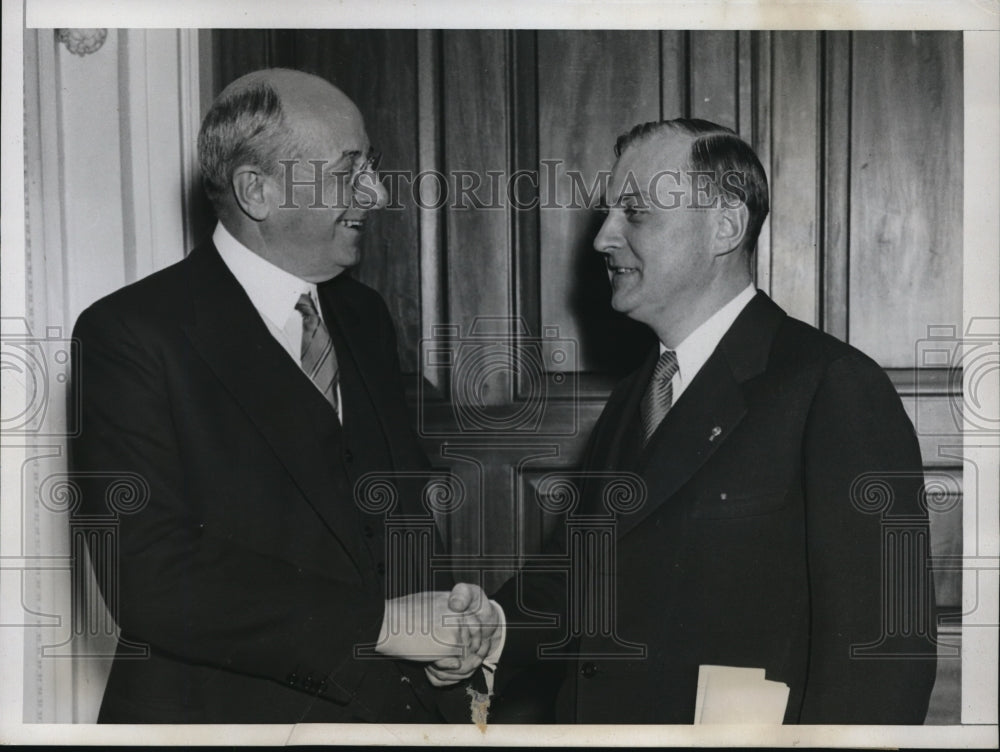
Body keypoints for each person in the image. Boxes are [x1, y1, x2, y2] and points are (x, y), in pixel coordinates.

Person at [70, 68, 499, 724]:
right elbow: (149, 577)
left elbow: (396, 509)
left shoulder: (363, 316)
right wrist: (381, 626)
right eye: (349, 171)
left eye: (373, 166)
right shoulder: (131, 333)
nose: (377, 193)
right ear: (257, 190)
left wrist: (444, 635)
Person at [491, 118, 937, 724]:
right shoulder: (633, 398)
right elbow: (581, 580)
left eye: (635, 212)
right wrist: (482, 626)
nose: (602, 238)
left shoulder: (832, 386)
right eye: (608, 213)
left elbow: (884, 657)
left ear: (724, 226)